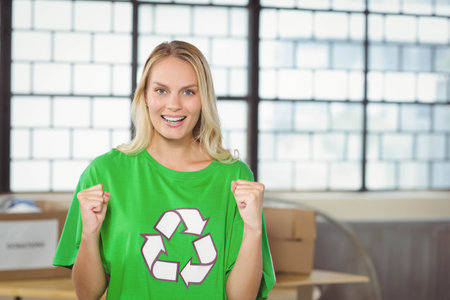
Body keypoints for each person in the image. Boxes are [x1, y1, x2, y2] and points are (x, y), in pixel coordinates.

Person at [53, 40, 275, 300]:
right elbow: (87, 294)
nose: (174, 105)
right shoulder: (104, 173)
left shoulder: (235, 178)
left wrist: (253, 229)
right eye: (161, 91)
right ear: (145, 96)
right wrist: (90, 234)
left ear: (204, 98)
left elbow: (241, 298)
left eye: (189, 92)